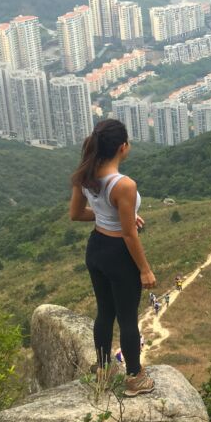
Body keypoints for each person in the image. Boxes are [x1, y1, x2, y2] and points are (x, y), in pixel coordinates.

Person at [69, 118, 156, 397]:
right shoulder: (124, 185)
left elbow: (77, 214)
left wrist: (118, 215)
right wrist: (145, 270)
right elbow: (129, 236)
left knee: (105, 312)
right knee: (128, 317)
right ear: (122, 147)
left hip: (96, 248)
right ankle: (134, 378)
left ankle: (103, 371)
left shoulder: (85, 174)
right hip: (119, 254)